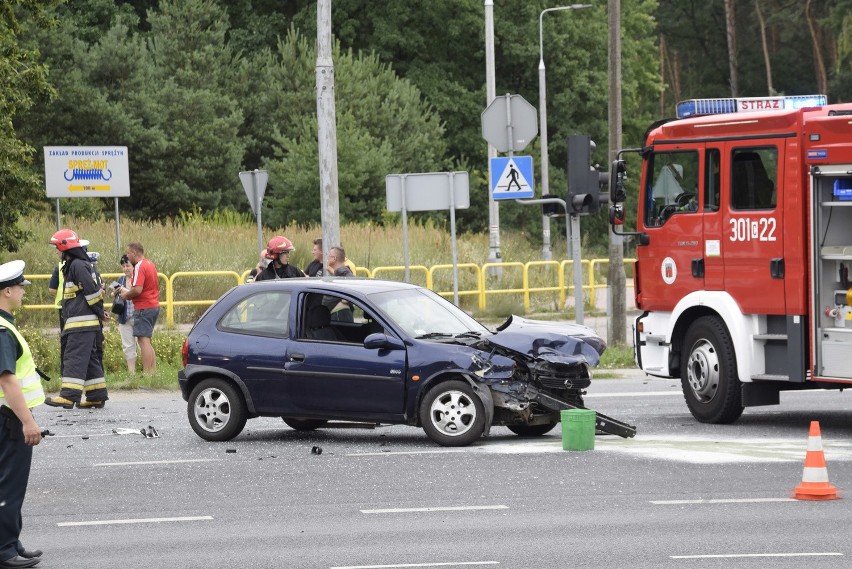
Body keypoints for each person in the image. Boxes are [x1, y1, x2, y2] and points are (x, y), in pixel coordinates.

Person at [0, 260, 45, 569]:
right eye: (19, 288)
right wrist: (28, 420)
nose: (22, 293)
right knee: (9, 484)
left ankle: (11, 541)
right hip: (11, 418)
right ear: (6, 291)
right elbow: (6, 379)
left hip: (10, 416)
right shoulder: (2, 330)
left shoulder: (6, 324)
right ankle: (4, 551)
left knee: (12, 483)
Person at [45, 229, 109, 410]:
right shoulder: (75, 264)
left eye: (57, 248)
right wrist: (99, 312)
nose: (56, 251)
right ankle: (96, 395)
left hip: (81, 323)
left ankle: (68, 395)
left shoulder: (77, 265)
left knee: (73, 356)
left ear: (65, 248)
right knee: (89, 360)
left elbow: (91, 291)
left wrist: (99, 311)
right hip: (84, 322)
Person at [119, 242, 159, 375]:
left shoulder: (139, 267)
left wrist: (126, 295)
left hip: (143, 307)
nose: (128, 255)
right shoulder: (150, 264)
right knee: (147, 341)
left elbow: (137, 290)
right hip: (153, 305)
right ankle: (152, 372)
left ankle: (147, 374)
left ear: (134, 253)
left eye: (128, 253)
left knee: (143, 341)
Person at [111, 255, 137, 372]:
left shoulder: (138, 279)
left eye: (128, 265)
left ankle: (149, 372)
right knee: (128, 346)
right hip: (124, 316)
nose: (126, 268)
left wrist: (123, 290)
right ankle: (132, 374)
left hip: (139, 316)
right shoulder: (120, 279)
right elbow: (113, 295)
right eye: (123, 266)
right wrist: (115, 292)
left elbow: (136, 293)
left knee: (143, 344)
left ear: (134, 266)